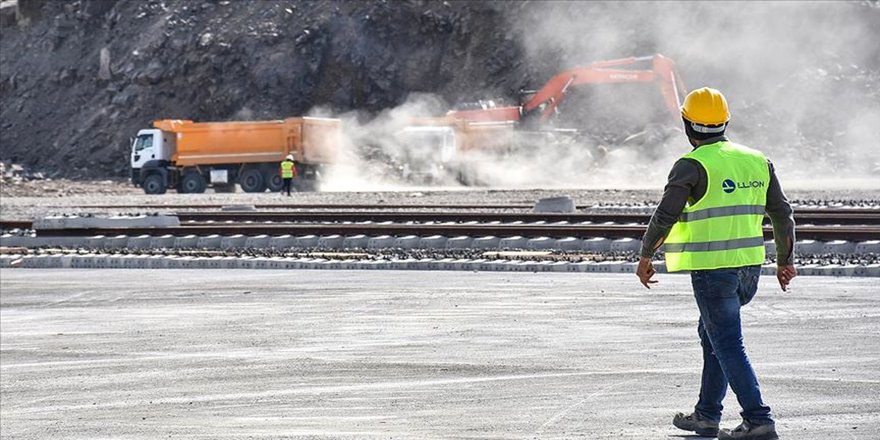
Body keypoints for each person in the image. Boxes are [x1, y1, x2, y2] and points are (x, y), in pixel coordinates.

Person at [636, 87, 796, 440]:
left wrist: (646, 255)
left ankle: (759, 419)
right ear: (725, 121)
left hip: (714, 271)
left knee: (727, 343)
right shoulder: (757, 160)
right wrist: (785, 261)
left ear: (686, 123)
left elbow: (665, 216)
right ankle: (707, 415)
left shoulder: (691, 165)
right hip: (748, 270)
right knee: (712, 334)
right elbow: (782, 213)